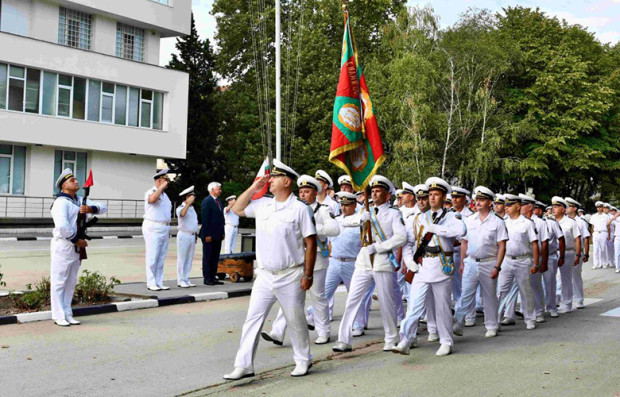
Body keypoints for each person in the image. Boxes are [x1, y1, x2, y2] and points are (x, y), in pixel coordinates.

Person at [223, 159, 317, 380]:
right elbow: (237, 208)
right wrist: (255, 188)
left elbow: (310, 243)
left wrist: (308, 274)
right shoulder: (263, 204)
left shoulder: (299, 209)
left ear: (286, 181)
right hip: (265, 275)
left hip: (291, 274)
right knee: (252, 319)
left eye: (274, 178)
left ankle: (303, 360)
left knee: (295, 320)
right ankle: (244, 365)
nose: (270, 180)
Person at [332, 175, 406, 353]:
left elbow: (401, 236)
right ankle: (344, 339)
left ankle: (391, 337)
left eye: (378, 191)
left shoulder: (394, 214)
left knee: (386, 302)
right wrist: (360, 219)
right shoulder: (365, 211)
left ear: (388, 195)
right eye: (372, 190)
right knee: (352, 300)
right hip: (363, 262)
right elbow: (344, 221)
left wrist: (380, 247)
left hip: (382, 262)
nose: (374, 193)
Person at [393, 177, 466, 356]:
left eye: (436, 195)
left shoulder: (451, 216)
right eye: (430, 194)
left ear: (443, 197)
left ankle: (446, 341)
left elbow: (461, 231)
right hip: (422, 266)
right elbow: (408, 242)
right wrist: (409, 260)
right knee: (414, 307)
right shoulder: (418, 218)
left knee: (442, 308)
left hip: (442, 266)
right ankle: (405, 339)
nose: (432, 198)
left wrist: (438, 229)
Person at [264, 175, 339, 345]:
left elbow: (334, 229)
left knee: (317, 297)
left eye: (307, 191)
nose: (303, 195)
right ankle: (277, 331)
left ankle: (323, 331)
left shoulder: (323, 210)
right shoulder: (294, 209)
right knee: (289, 296)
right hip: (296, 260)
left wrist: (311, 229)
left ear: (315, 193)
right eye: (301, 192)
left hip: (317, 260)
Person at [50, 169, 108, 326]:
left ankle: (68, 313)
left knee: (71, 281)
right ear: (64, 185)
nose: (76, 182)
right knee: (59, 281)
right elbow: (62, 226)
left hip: (77, 246)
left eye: (76, 179)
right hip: (64, 245)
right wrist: (76, 240)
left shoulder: (80, 200)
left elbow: (103, 207)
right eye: (72, 180)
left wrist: (90, 209)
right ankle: (58, 315)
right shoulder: (61, 202)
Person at [453, 186, 507, 338]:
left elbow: (502, 245)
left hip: (489, 262)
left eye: (482, 200)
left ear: (490, 202)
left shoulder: (498, 222)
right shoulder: (469, 220)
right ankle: (459, 322)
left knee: (489, 295)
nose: (478, 202)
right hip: (470, 261)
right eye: (477, 199)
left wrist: (497, 266)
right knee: (466, 294)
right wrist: (463, 262)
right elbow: (464, 242)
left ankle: (491, 325)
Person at [497, 194, 539, 330]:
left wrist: (536, 263)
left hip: (523, 260)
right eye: (506, 205)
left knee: (525, 291)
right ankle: (495, 319)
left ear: (518, 206)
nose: (507, 208)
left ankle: (530, 318)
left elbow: (534, 244)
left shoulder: (527, 223)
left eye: (510, 205)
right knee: (501, 290)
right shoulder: (503, 222)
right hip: (506, 260)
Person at [519, 194, 549, 323]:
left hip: (535, 257)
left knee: (535, 286)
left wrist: (543, 262)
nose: (520, 207)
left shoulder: (540, 223)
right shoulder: (519, 220)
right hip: (522, 258)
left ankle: (539, 311)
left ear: (530, 207)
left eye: (523, 205)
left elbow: (544, 243)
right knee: (524, 286)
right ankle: (526, 311)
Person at [143, 168, 172, 291]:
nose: (168, 182)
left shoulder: (165, 196)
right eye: (165, 180)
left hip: (164, 227)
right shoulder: (152, 191)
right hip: (153, 226)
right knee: (152, 255)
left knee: (161, 257)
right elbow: (152, 200)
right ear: (159, 180)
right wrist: (160, 188)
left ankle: (159, 282)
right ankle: (151, 282)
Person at [552, 196, 581, 314]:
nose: (554, 209)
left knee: (566, 279)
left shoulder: (570, 222)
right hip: (554, 252)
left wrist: (578, 255)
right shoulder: (549, 221)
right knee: (552, 279)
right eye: (553, 206)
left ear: (563, 209)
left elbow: (577, 239)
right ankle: (553, 302)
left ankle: (567, 303)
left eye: (557, 206)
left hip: (568, 252)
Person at [451, 186, 474, 326]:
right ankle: (459, 312)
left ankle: (469, 315)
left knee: (466, 285)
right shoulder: (448, 214)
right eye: (453, 197)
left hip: (462, 250)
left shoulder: (470, 216)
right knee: (455, 286)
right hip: (449, 252)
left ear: (464, 199)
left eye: (457, 197)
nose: (454, 200)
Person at [565, 197, 590, 309]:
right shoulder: (564, 220)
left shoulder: (581, 222)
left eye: (568, 206)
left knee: (575, 276)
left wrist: (586, 253)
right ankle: (564, 299)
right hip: (564, 252)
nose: (566, 208)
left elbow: (586, 238)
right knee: (562, 277)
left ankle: (579, 299)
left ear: (574, 208)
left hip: (576, 252)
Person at [200, 182, 225, 286]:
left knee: (215, 257)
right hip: (209, 235)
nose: (220, 191)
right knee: (208, 257)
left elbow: (220, 219)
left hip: (217, 234)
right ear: (212, 190)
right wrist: (207, 235)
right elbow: (205, 220)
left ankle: (213, 276)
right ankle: (207, 278)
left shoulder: (218, 201)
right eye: (218, 189)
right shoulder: (207, 201)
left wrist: (222, 232)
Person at [176, 186, 199, 288]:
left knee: (189, 258)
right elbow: (182, 214)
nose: (194, 198)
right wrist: (188, 203)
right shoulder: (180, 208)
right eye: (192, 196)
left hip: (191, 235)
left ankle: (186, 279)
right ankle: (180, 280)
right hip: (184, 235)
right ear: (187, 197)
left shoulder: (192, 208)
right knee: (182, 258)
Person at [590, 201, 610, 270]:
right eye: (598, 207)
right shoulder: (593, 216)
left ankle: (604, 263)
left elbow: (608, 226)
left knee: (603, 249)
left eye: (600, 207)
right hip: (596, 233)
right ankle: (596, 264)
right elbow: (592, 226)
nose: (599, 208)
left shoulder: (606, 216)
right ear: (597, 208)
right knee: (595, 250)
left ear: (602, 208)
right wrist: (592, 235)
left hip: (603, 233)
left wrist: (608, 235)